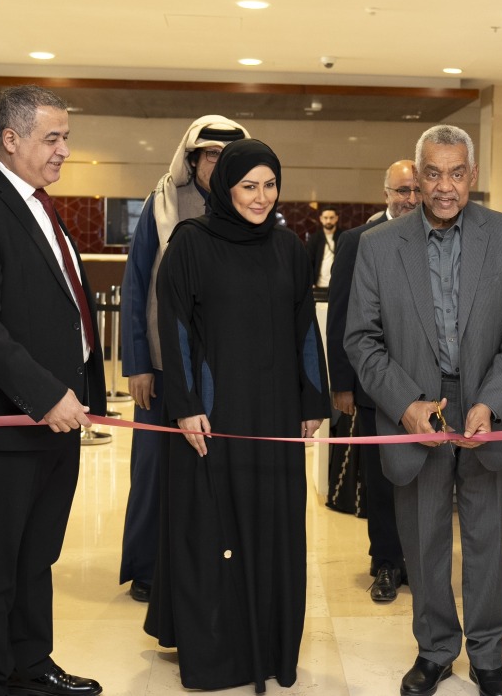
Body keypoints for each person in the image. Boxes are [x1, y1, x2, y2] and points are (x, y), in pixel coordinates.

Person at [346, 125, 502, 696]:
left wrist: (490, 400)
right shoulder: (379, 246)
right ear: (417, 176)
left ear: (472, 176)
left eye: (457, 173)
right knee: (424, 539)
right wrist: (405, 405)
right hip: (416, 408)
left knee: (487, 540)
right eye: (433, 173)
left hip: (488, 408)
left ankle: (486, 654)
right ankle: (434, 650)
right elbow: (362, 338)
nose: (445, 186)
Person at [144, 138, 331, 693]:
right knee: (214, 531)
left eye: (270, 185)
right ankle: (219, 654)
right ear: (225, 187)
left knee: (273, 531)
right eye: (249, 185)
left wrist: (311, 402)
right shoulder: (191, 244)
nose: (261, 196)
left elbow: (304, 331)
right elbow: (174, 328)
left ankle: (271, 647)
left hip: (273, 417)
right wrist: (186, 407)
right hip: (215, 416)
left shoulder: (287, 248)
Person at [0, 85, 104, 696]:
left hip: (56, 420)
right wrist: (44, 395)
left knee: (36, 556)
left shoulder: (38, 202)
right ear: (10, 139)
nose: (65, 150)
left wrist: (76, 395)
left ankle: (30, 666)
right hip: (4, 424)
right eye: (52, 138)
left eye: (66, 136)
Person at [117, 115, 248, 603]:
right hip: (163, 366)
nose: (217, 163)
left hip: (222, 370)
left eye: (225, 154)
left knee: (212, 473)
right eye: (209, 154)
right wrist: (138, 365)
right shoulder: (162, 203)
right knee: (154, 471)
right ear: (192, 159)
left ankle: (204, 565)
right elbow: (137, 286)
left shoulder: (246, 205)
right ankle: (148, 568)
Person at [326, 160, 420, 603]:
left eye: (417, 191)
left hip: (427, 388)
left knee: (423, 481)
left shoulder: (437, 236)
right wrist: (342, 384)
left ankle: (419, 562)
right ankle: (385, 563)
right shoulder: (356, 241)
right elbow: (341, 316)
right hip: (372, 387)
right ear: (385, 193)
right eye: (402, 190)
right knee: (382, 482)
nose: (410, 200)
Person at [306, 207, 339, 287]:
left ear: (336, 218)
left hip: (337, 284)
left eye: (331, 218)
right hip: (318, 284)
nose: (328, 221)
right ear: (321, 219)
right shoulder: (314, 238)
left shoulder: (343, 237)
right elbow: (308, 262)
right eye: (325, 218)